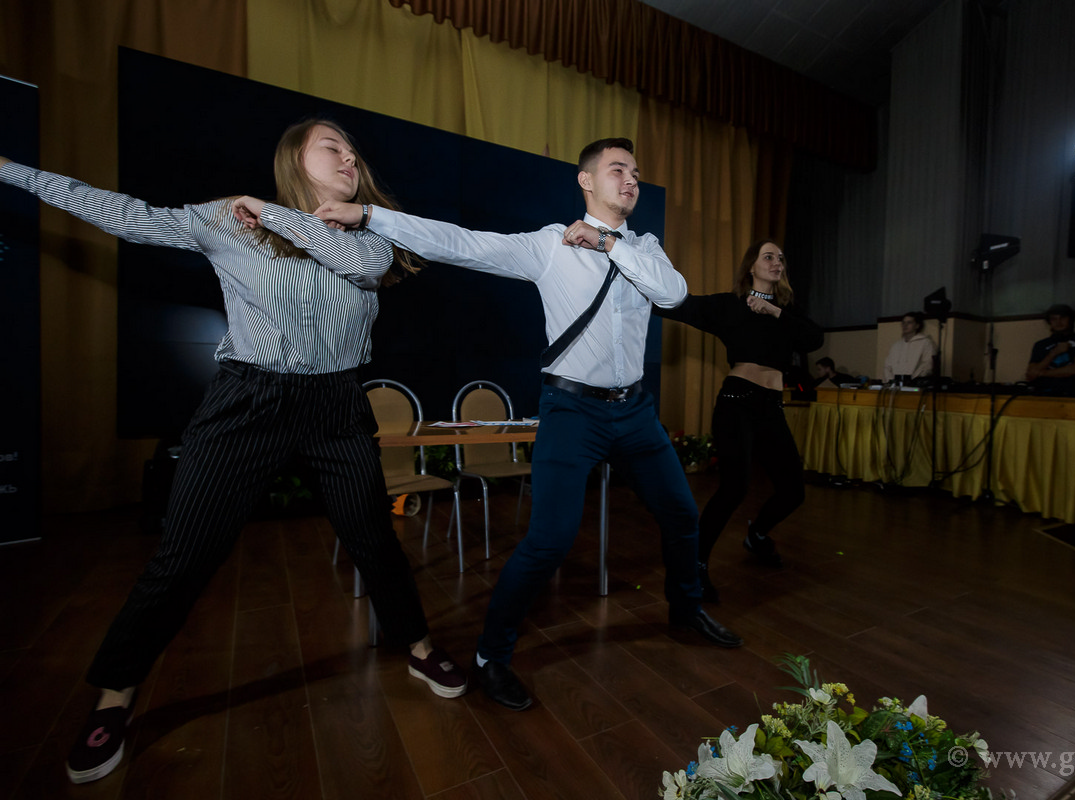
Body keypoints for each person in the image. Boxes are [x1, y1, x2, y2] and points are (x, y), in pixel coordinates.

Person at [0, 118, 468, 785]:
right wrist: (9, 170)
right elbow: (126, 215)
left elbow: (360, 266)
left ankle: (417, 645)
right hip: (249, 403)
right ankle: (114, 696)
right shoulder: (229, 221)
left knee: (373, 539)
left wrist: (274, 213)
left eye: (353, 151)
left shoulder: (368, 235)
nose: (350, 158)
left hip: (336, 405)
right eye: (332, 147)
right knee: (184, 556)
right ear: (294, 159)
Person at [316, 137, 743, 712]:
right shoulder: (550, 246)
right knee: (550, 540)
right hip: (573, 410)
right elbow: (460, 242)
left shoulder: (645, 248)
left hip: (635, 412)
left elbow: (674, 293)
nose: (631, 180)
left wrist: (609, 243)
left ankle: (686, 608)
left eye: (637, 173)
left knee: (682, 515)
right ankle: (492, 655)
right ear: (585, 181)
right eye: (618, 169)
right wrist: (370, 215)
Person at [654, 240, 823, 601]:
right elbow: (682, 307)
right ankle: (696, 564)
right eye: (768, 257)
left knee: (793, 490)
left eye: (781, 257)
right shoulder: (729, 305)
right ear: (751, 266)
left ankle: (757, 535)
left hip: (772, 406)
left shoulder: (787, 312)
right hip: (737, 402)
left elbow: (814, 338)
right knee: (735, 487)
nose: (777, 262)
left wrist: (773, 311)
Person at [1026, 303, 1075, 380]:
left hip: (1073, 385)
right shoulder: (1041, 344)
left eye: (1062, 318)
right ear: (1049, 322)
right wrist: (1054, 353)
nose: (1058, 322)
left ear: (1070, 320)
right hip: (1043, 386)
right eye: (1054, 319)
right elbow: (1030, 374)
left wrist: (1042, 373)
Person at [882, 311, 937, 383]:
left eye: (909, 322)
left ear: (917, 326)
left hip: (915, 384)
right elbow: (887, 366)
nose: (905, 325)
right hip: (895, 385)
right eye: (903, 323)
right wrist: (891, 381)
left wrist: (913, 380)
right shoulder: (896, 345)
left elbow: (927, 365)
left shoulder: (925, 342)